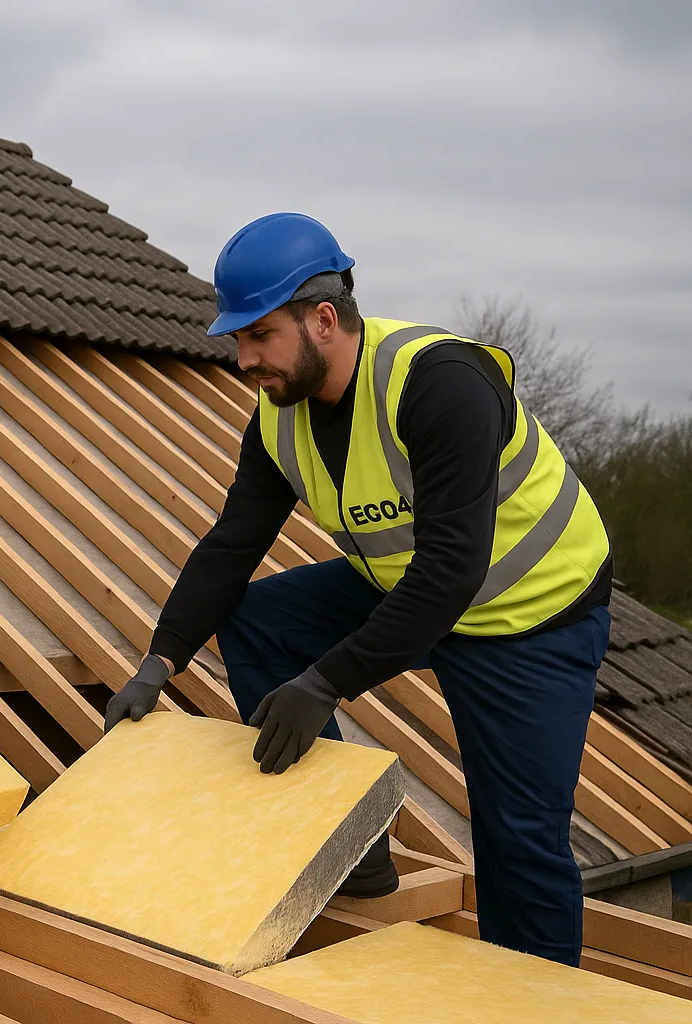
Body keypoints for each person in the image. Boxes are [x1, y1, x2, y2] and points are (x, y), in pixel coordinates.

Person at [104, 213, 612, 967]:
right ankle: (351, 843)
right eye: (238, 339)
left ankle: (537, 1002)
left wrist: (323, 684)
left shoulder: (440, 384)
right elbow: (232, 546)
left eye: (259, 335)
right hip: (409, 586)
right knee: (259, 620)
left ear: (323, 319)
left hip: (531, 615)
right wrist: (159, 662)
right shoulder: (281, 417)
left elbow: (451, 572)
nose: (244, 360)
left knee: (519, 839)